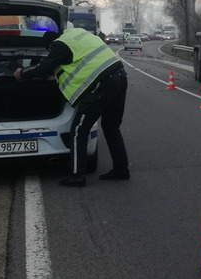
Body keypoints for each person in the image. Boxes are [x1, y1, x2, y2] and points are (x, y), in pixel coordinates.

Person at [14, 27, 130, 187]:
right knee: (111, 126)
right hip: (120, 76)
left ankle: (77, 175)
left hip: (102, 84)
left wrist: (22, 73)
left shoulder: (59, 45)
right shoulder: (77, 34)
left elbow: (43, 68)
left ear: (50, 45)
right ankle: (121, 169)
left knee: (79, 128)